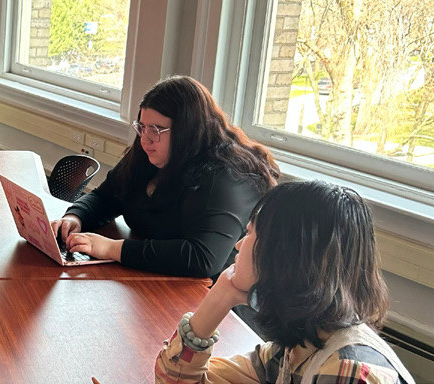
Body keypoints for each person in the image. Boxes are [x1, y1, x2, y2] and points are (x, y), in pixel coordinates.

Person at [154, 180, 415, 384]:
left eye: (249, 233)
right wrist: (221, 295)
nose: (238, 245)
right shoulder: (296, 348)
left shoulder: (347, 372)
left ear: (283, 254)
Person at [52, 76, 279, 278]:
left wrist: (112, 249)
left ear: (187, 132)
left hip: (209, 297)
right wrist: (76, 217)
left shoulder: (226, 176)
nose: (145, 140)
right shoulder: (148, 152)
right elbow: (106, 196)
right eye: (142, 127)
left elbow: (203, 258)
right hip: (151, 276)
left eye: (156, 130)